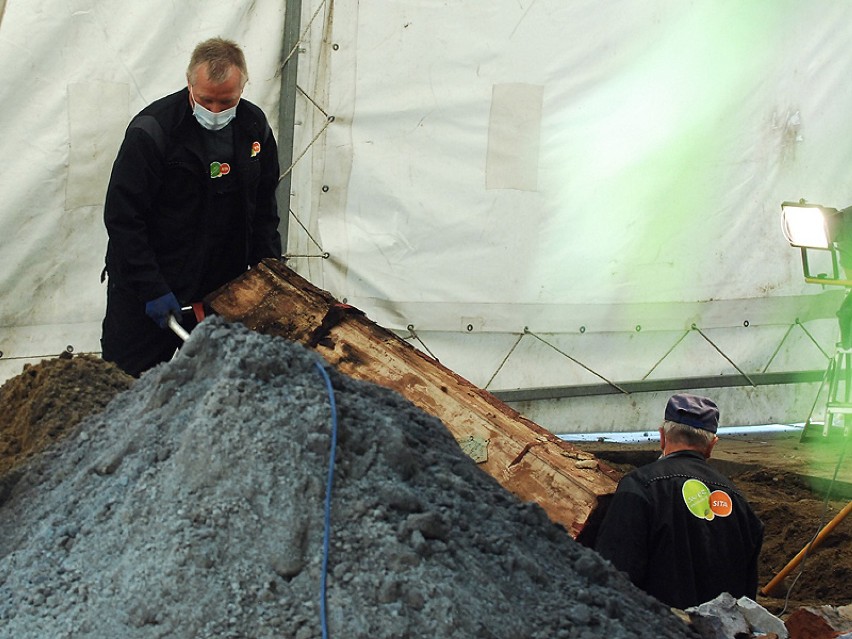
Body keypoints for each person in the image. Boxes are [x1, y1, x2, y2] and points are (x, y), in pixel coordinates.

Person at [100, 37, 282, 377]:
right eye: (206, 100)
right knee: (124, 387)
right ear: (189, 83)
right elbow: (123, 219)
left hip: (219, 290)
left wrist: (268, 276)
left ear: (243, 86)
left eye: (226, 102)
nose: (214, 111)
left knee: (216, 391)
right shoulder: (153, 131)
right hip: (150, 291)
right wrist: (151, 288)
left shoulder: (255, 128)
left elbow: (263, 213)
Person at [593, 394, 764, 610]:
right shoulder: (740, 505)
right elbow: (747, 600)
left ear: (662, 436)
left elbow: (614, 574)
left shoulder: (640, 486)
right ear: (712, 445)